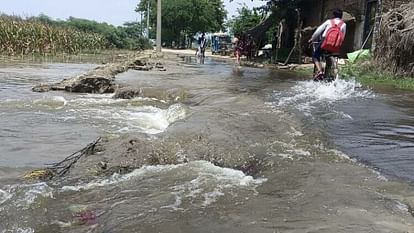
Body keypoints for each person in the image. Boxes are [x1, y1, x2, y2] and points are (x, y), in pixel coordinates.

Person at [309, 8, 346, 80]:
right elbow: (342, 37)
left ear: (333, 15)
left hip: (324, 43)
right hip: (334, 46)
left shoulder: (329, 21)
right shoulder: (343, 24)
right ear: (341, 16)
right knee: (329, 56)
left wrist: (312, 39)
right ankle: (330, 75)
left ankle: (319, 71)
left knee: (315, 56)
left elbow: (318, 31)